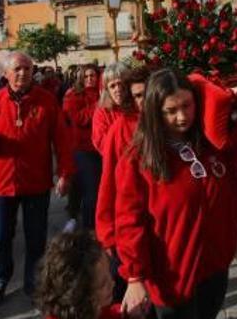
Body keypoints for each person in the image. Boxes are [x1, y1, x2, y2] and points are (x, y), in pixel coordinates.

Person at [116, 69, 237, 319]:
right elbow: (129, 221)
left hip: (215, 267)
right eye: (170, 111)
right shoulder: (138, 158)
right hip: (171, 275)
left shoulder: (214, 144)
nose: (182, 117)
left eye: (187, 105)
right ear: (154, 112)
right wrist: (135, 276)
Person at [0, 52, 74, 305]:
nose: (22, 73)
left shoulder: (46, 101)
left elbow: (62, 140)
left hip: (36, 182)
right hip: (0, 183)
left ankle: (32, 281)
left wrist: (65, 173)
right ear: (5, 73)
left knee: (35, 237)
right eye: (17, 69)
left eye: (27, 68)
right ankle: (3, 275)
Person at [96, 66, 149, 303]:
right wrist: (107, 235)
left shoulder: (167, 120)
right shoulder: (117, 126)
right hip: (127, 226)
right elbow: (109, 186)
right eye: (113, 85)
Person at [36, 231, 122, 319]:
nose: (112, 283)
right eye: (103, 284)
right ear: (79, 295)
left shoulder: (96, 308)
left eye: (109, 272)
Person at [63, 64, 102, 231]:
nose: (89, 79)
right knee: (90, 193)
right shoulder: (73, 96)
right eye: (86, 76)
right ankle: (89, 229)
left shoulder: (103, 93)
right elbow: (80, 119)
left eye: (92, 75)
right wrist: (99, 104)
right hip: (84, 149)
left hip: (102, 149)